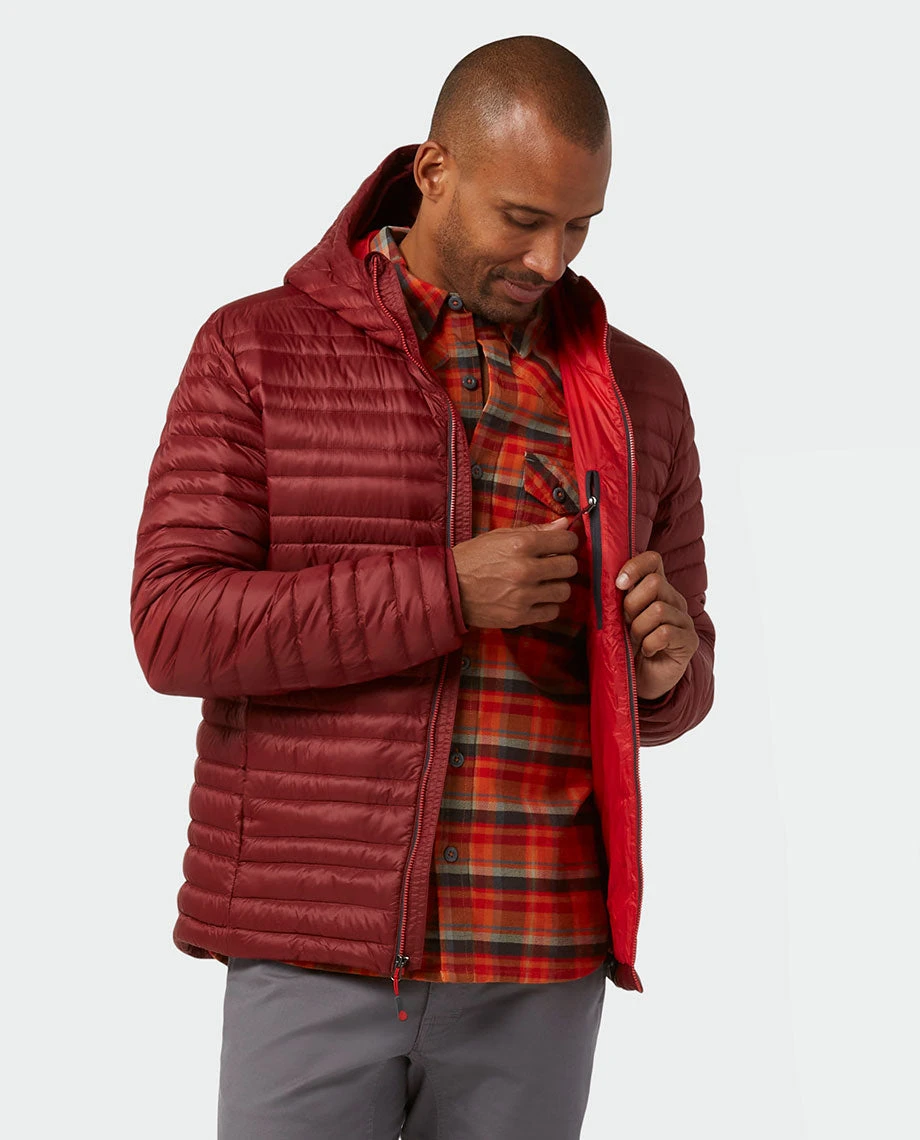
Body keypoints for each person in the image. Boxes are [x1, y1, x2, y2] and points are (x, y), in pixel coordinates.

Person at [130, 33, 715, 1140]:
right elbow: (173, 626)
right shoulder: (256, 349)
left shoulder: (641, 392)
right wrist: (446, 594)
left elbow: (676, 690)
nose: (551, 259)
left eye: (579, 225)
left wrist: (665, 669)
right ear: (433, 170)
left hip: (541, 951)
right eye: (521, 218)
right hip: (315, 943)